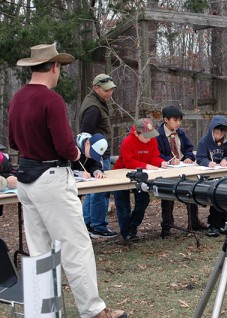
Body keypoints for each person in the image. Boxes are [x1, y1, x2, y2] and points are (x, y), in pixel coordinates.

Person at [8, 42, 127, 318]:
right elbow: (64, 146)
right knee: (77, 247)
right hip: (50, 179)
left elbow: (13, 141)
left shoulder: (17, 99)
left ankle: (42, 312)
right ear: (54, 66)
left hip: (26, 179)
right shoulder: (51, 100)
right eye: (59, 67)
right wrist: (79, 152)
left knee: (40, 251)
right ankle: (94, 311)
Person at [113, 118, 168, 243]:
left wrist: (161, 162)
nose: (149, 139)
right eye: (146, 136)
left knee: (143, 200)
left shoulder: (152, 141)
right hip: (122, 174)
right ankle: (126, 233)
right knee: (123, 205)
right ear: (137, 134)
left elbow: (154, 157)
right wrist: (146, 166)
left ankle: (133, 226)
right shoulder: (128, 142)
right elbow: (128, 162)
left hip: (141, 176)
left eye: (150, 135)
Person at [155, 105, 207, 237]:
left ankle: (193, 221)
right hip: (166, 171)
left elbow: (189, 148)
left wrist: (189, 157)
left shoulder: (181, 133)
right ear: (166, 120)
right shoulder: (157, 135)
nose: (178, 123)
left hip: (182, 168)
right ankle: (167, 225)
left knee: (190, 191)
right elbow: (156, 154)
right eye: (175, 120)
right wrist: (168, 160)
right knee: (167, 197)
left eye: (180, 121)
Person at [79, 73, 117, 238]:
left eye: (111, 90)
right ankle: (98, 227)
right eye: (106, 90)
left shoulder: (97, 102)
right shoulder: (93, 108)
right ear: (96, 88)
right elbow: (86, 136)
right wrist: (96, 159)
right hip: (98, 156)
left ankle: (86, 223)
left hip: (99, 154)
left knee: (93, 192)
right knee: (101, 192)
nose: (109, 93)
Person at [196, 115, 227, 237]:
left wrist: (226, 160)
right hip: (209, 175)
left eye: (221, 134)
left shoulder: (226, 142)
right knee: (215, 199)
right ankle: (212, 224)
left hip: (223, 174)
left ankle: (224, 223)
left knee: (226, 198)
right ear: (212, 131)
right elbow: (199, 158)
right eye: (217, 133)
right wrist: (208, 163)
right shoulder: (204, 142)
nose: (219, 136)